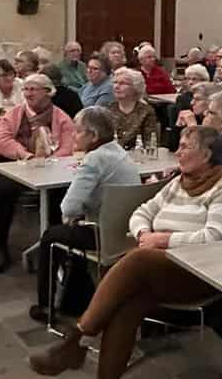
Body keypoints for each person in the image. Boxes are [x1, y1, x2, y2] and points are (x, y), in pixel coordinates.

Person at [28, 125, 222, 379]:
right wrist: (144, 233)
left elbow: (216, 237)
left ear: (207, 154)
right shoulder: (177, 184)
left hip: (198, 275)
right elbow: (141, 211)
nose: (179, 151)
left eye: (186, 146)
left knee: (137, 260)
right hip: (155, 272)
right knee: (126, 306)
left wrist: (163, 240)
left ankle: (77, 339)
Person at [29, 106, 141, 322]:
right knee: (71, 229)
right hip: (126, 232)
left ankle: (45, 305)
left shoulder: (93, 160)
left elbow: (68, 208)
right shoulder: (120, 153)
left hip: (102, 234)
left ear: (94, 136)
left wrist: (74, 214)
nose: (73, 135)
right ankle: (76, 299)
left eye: (78, 131)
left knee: (51, 236)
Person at [0, 73, 76, 272]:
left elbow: (68, 147)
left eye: (33, 89)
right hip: (12, 162)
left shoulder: (62, 118)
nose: (28, 93)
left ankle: (53, 246)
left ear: (48, 92)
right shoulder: (14, 114)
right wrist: (26, 155)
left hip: (51, 165)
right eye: (25, 89)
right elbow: (2, 141)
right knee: (1, 190)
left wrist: (48, 161)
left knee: (59, 193)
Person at [105, 66, 159, 151]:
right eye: (115, 82)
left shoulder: (146, 111)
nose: (116, 87)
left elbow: (150, 143)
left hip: (138, 157)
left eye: (122, 83)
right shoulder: (107, 110)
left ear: (135, 87)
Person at [170, 81, 218, 149]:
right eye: (193, 98)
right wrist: (178, 126)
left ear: (212, 102)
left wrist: (193, 127)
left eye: (197, 99)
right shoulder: (194, 116)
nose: (192, 103)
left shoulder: (215, 122)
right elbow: (173, 148)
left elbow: (202, 153)